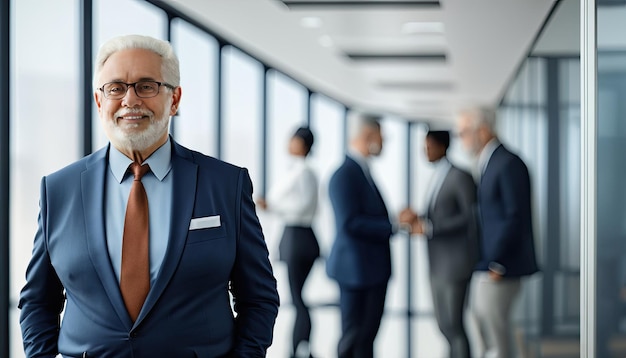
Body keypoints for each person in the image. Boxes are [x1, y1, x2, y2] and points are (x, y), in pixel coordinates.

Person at [18, 34, 279, 358]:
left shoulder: (226, 184)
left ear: (175, 98)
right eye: (116, 88)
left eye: (146, 86)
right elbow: (37, 301)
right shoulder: (59, 189)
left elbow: (259, 298)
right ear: (100, 101)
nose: (130, 100)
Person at [456, 106, 538, 358]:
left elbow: (515, 216)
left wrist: (497, 261)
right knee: (484, 325)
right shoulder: (488, 162)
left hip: (501, 265)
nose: (461, 139)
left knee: (496, 333)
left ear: (482, 130)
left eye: (464, 132)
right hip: (488, 262)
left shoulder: (509, 163)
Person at [399, 130, 479, 358]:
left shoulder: (460, 176)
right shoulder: (437, 176)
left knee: (454, 325)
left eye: (429, 146)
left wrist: (430, 227)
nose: (425, 152)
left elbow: (469, 218)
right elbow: (441, 212)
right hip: (436, 263)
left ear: (443, 146)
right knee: (444, 325)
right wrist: (419, 218)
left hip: (455, 264)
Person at [326, 112, 393, 358]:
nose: (383, 143)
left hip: (370, 270)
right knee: (353, 339)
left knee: (365, 340)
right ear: (368, 136)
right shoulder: (344, 174)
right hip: (356, 272)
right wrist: (393, 225)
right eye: (381, 137)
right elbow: (350, 223)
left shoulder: (362, 171)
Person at [256, 126, 320, 358]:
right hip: (293, 236)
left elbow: (303, 205)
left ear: (302, 144)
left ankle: (300, 348)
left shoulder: (304, 172)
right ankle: (299, 347)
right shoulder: (295, 170)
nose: (288, 143)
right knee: (297, 296)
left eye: (292, 140)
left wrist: (273, 207)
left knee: (297, 297)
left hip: (299, 236)